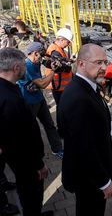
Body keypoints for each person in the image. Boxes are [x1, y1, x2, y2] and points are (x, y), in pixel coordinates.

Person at [58, 43, 112, 216]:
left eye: (105, 62)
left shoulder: (83, 88)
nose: (104, 68)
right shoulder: (80, 99)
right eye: (98, 62)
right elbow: (84, 148)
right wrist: (104, 182)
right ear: (81, 64)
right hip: (89, 180)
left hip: (87, 176)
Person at [0, 47, 51, 216]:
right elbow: (20, 139)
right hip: (25, 161)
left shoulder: (6, 89)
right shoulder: (10, 99)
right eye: (23, 65)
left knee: (27, 191)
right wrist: (39, 164)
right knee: (31, 192)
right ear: (16, 68)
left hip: (14, 157)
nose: (25, 68)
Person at [17, 42, 64, 158]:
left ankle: (57, 149)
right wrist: (54, 71)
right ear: (35, 53)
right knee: (30, 130)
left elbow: (46, 62)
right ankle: (32, 155)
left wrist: (54, 63)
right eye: (41, 55)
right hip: (29, 103)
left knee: (50, 125)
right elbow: (42, 84)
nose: (42, 57)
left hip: (39, 99)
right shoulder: (27, 65)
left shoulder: (36, 61)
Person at [45, 28, 74, 106]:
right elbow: (62, 68)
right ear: (61, 40)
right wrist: (69, 67)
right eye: (68, 42)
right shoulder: (55, 52)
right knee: (62, 107)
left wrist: (68, 61)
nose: (68, 44)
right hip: (59, 86)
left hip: (59, 85)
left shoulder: (56, 48)